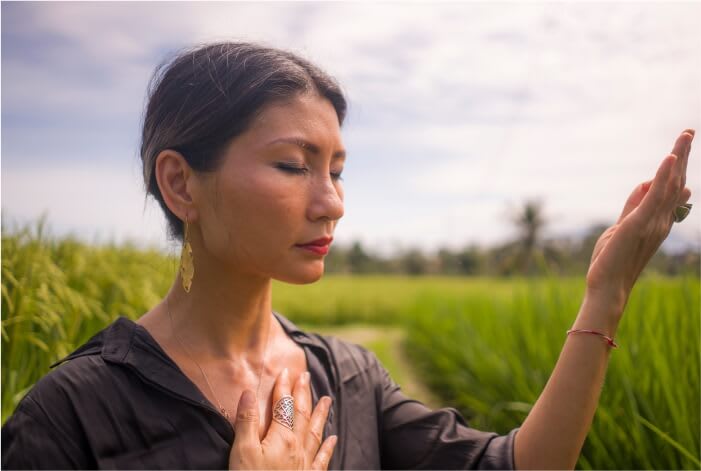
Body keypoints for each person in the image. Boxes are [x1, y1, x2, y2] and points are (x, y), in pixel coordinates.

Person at [1, 41, 694, 470]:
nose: (331, 201)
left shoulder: (346, 379)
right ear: (181, 182)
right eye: (292, 164)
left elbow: (519, 466)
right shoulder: (70, 418)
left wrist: (606, 294)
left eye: (335, 169)